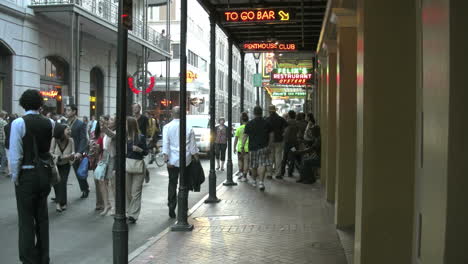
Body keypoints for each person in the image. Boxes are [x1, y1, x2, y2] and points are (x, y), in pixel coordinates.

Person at [10, 89, 54, 264]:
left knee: (26, 219)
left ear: (23, 104)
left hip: (27, 174)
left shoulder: (19, 123)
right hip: (44, 174)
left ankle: (29, 259)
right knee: (42, 218)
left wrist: (16, 176)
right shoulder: (49, 122)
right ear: (40, 104)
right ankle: (44, 256)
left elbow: (16, 155)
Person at [162, 106, 199, 218]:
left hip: (172, 160)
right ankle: (183, 206)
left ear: (172, 114)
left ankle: (171, 206)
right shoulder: (188, 128)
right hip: (185, 160)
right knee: (184, 185)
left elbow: (165, 143)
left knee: (172, 183)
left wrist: (166, 157)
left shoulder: (167, 127)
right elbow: (193, 148)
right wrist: (196, 158)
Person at [242, 106, 273, 191]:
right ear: (261, 112)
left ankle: (254, 180)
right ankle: (261, 183)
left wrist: (242, 147)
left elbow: (245, 136)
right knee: (262, 164)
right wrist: (269, 145)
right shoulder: (267, 123)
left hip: (252, 148)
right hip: (264, 147)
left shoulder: (249, 123)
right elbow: (271, 135)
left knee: (253, 165)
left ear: (254, 113)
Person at [126, 116, 149, 224]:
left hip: (138, 166)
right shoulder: (124, 137)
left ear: (130, 125)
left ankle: (133, 215)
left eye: (126, 124)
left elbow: (146, 152)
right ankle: (129, 211)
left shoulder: (140, 137)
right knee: (128, 192)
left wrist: (139, 149)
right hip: (126, 166)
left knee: (136, 192)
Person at [65, 104, 89, 198]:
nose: (67, 112)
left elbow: (83, 139)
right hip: (66, 150)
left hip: (76, 151)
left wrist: (79, 152)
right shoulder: (65, 122)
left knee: (79, 172)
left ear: (74, 111)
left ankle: (84, 189)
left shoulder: (80, 123)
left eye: (68, 110)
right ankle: (60, 194)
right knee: (62, 174)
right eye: (66, 110)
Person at [50, 124, 75, 212]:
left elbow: (73, 153)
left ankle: (63, 203)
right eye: (67, 130)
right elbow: (51, 153)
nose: (69, 131)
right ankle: (58, 203)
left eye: (70, 130)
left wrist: (72, 156)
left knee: (63, 182)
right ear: (61, 131)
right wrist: (59, 157)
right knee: (57, 183)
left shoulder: (71, 140)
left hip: (66, 165)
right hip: (56, 165)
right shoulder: (54, 140)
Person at [265, 105, 288, 179]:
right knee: (278, 157)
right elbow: (287, 127)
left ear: (269, 111)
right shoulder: (280, 119)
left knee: (270, 158)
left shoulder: (267, 119)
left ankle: (269, 174)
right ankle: (278, 174)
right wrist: (283, 134)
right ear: (275, 110)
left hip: (270, 141)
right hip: (279, 140)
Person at [101, 114, 117, 215]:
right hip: (105, 157)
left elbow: (112, 135)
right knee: (102, 181)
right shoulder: (106, 132)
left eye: (111, 119)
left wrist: (104, 127)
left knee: (113, 184)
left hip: (112, 158)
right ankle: (107, 204)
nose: (109, 121)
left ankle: (116, 205)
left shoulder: (115, 131)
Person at [233, 112, 249, 182]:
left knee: (240, 161)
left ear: (242, 120)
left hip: (240, 147)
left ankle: (241, 173)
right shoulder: (249, 127)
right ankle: (245, 176)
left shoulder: (239, 128)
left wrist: (234, 147)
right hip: (248, 147)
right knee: (246, 162)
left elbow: (236, 139)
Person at [0, 110, 8, 176]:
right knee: (4, 155)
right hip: (2, 140)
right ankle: (2, 169)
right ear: (3, 115)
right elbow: (6, 131)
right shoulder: (4, 122)